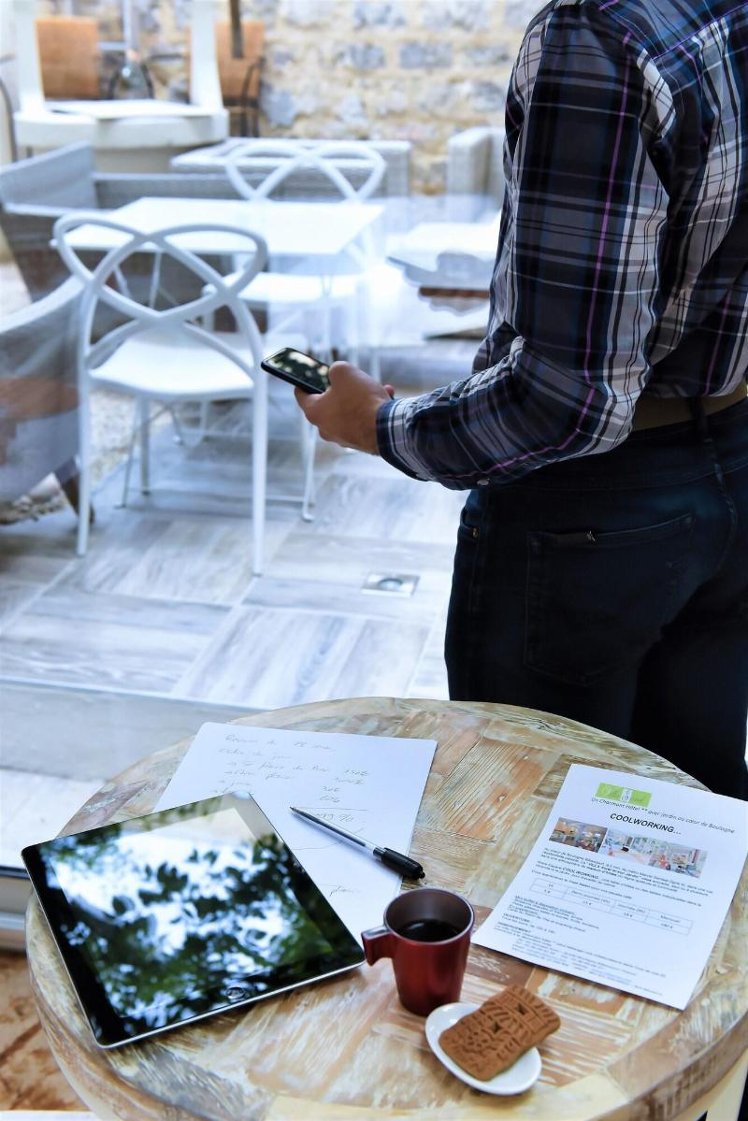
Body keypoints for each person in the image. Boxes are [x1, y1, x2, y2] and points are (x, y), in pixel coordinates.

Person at [296, 0, 748, 800]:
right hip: (732, 460)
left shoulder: (600, 35)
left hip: (593, 513)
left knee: (527, 818)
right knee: (688, 814)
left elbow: (564, 402)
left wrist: (377, 424)